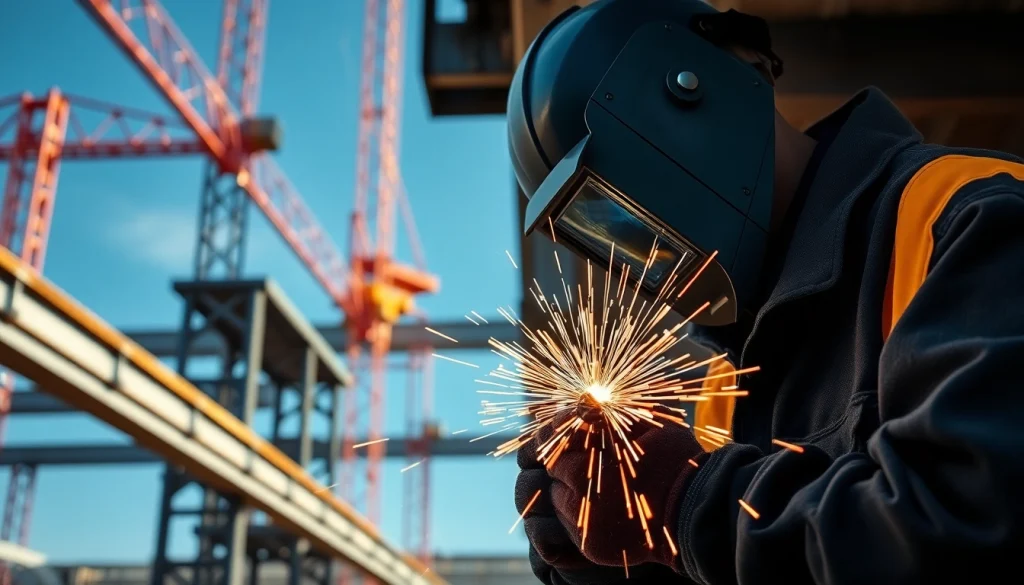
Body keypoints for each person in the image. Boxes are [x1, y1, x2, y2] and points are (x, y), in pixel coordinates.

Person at [506, 1, 1024, 583]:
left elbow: (969, 525)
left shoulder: (967, 216)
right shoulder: (725, 388)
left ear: (689, 87)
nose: (645, 237)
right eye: (604, 226)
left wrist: (685, 502)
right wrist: (623, 560)